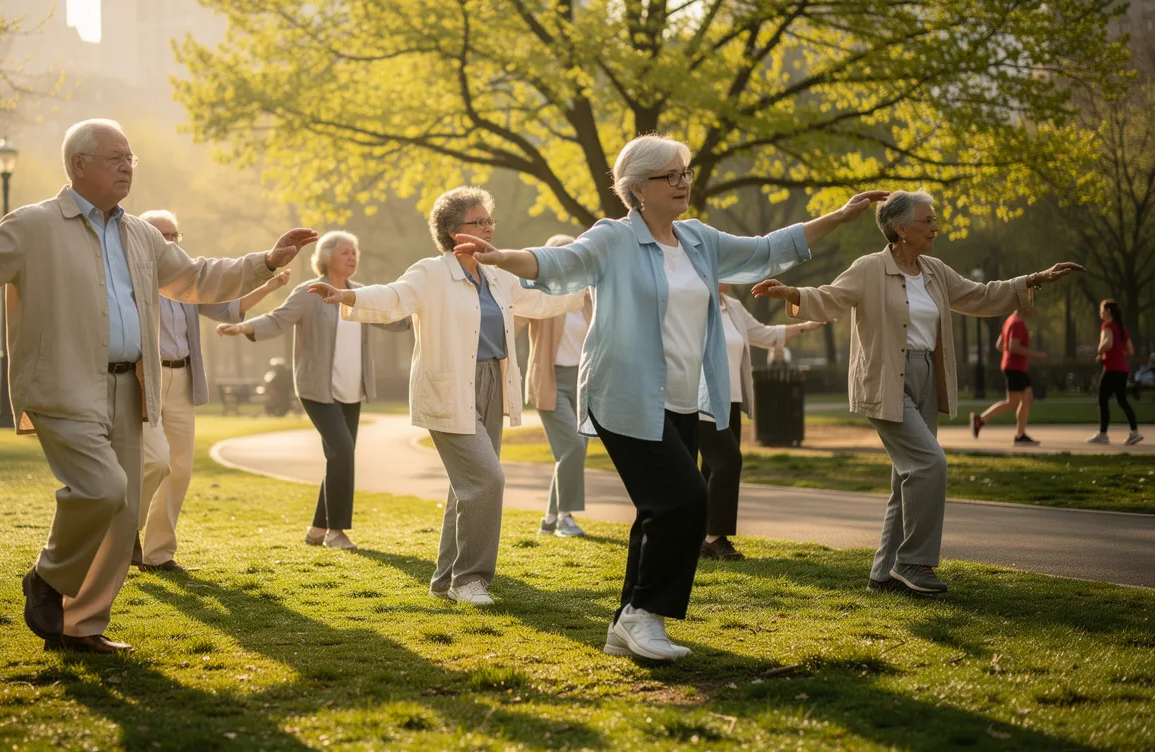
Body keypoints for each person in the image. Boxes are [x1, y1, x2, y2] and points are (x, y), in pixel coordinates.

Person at [0, 118, 317, 653]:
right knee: (103, 488)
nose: (126, 167)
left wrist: (267, 262)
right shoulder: (35, 225)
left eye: (130, 158)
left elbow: (197, 278)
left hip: (130, 388)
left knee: (123, 511)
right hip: (62, 385)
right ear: (78, 165)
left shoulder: (141, 234)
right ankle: (47, 577)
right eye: (115, 158)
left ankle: (81, 626)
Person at [452, 133, 887, 661]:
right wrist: (500, 256)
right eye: (670, 175)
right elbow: (558, 263)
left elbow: (768, 249)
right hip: (625, 396)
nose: (683, 182)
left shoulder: (699, 240)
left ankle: (625, 624)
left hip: (682, 397)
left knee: (657, 510)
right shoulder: (613, 239)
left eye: (685, 172)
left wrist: (840, 216)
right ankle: (644, 615)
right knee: (688, 500)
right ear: (638, 189)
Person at [753, 190, 1083, 596]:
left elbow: (980, 295)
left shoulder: (935, 271)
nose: (935, 227)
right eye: (927, 221)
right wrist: (793, 295)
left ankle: (882, 575)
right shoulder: (870, 268)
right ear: (900, 228)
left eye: (933, 220)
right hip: (885, 378)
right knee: (930, 464)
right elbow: (832, 298)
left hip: (928, 375)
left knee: (906, 477)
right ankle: (913, 562)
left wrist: (1033, 280)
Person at [306, 187, 586, 606]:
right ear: (455, 231)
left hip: (492, 382)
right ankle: (469, 579)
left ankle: (444, 580)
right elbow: (394, 297)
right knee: (487, 479)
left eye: (489, 220)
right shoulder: (430, 273)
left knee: (467, 486)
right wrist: (349, 295)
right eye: (479, 222)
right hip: (448, 387)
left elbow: (538, 301)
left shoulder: (497, 274)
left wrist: (587, 288)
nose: (489, 228)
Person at [217, 231, 410, 550]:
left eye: (354, 251)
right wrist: (245, 327)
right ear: (327, 257)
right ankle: (336, 532)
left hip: (352, 389)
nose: (352, 256)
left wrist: (417, 314)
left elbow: (388, 319)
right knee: (342, 452)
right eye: (345, 252)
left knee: (339, 456)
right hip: (317, 389)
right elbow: (278, 319)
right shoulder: (310, 293)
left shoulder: (359, 294)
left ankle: (318, 529)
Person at [132, 209, 294, 572]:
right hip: (145, 379)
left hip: (183, 378)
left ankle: (158, 554)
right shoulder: (132, 279)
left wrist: (269, 286)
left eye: (174, 236)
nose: (170, 243)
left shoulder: (188, 283)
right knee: (153, 462)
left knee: (180, 470)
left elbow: (231, 307)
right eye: (162, 236)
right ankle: (125, 531)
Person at [699, 286, 827, 561]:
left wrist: (805, 326)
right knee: (728, 462)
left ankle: (700, 538)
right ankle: (713, 537)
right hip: (703, 400)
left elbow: (765, 335)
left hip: (731, 400)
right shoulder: (696, 303)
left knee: (712, 468)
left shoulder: (732, 307)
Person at [516, 234, 592, 539]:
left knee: (571, 453)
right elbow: (512, 320)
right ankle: (564, 518)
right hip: (550, 382)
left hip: (583, 384)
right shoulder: (540, 295)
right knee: (573, 447)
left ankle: (549, 518)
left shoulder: (587, 297)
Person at [971, 306, 1047, 446]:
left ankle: (982, 420)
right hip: (1015, 368)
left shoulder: (1009, 320)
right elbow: (1013, 346)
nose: (1032, 308)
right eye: (1030, 304)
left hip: (1013, 367)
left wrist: (1009, 354)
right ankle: (1019, 435)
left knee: (1020, 400)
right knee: (1019, 400)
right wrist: (1036, 355)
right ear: (1023, 306)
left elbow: (999, 345)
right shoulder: (1017, 323)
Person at [1087, 299, 1142, 446]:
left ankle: (1103, 435)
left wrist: (1100, 349)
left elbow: (1108, 343)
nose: (1100, 312)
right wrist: (1109, 355)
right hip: (1122, 369)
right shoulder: (1122, 328)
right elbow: (1130, 350)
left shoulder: (1107, 326)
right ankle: (1135, 432)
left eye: (1102, 310)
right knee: (1122, 401)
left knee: (1102, 400)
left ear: (1108, 311)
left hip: (1111, 369)